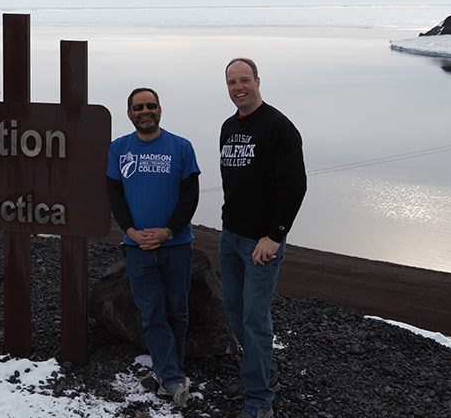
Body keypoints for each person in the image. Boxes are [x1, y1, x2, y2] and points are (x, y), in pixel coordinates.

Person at [218, 58, 307, 418]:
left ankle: (259, 400)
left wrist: (275, 236)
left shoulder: (279, 127)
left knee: (255, 320)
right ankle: (262, 373)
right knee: (236, 314)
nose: (238, 87)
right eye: (231, 82)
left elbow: (294, 186)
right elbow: (233, 182)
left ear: (257, 80)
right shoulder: (227, 127)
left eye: (244, 80)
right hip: (231, 237)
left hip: (262, 244)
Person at [106, 87, 200, 409]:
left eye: (151, 105)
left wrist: (167, 231)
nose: (145, 111)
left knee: (178, 310)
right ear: (129, 113)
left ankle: (169, 372)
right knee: (152, 313)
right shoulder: (118, 149)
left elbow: (190, 196)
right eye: (138, 107)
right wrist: (131, 231)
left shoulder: (181, 147)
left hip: (176, 245)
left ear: (160, 109)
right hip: (137, 247)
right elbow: (115, 194)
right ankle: (173, 378)